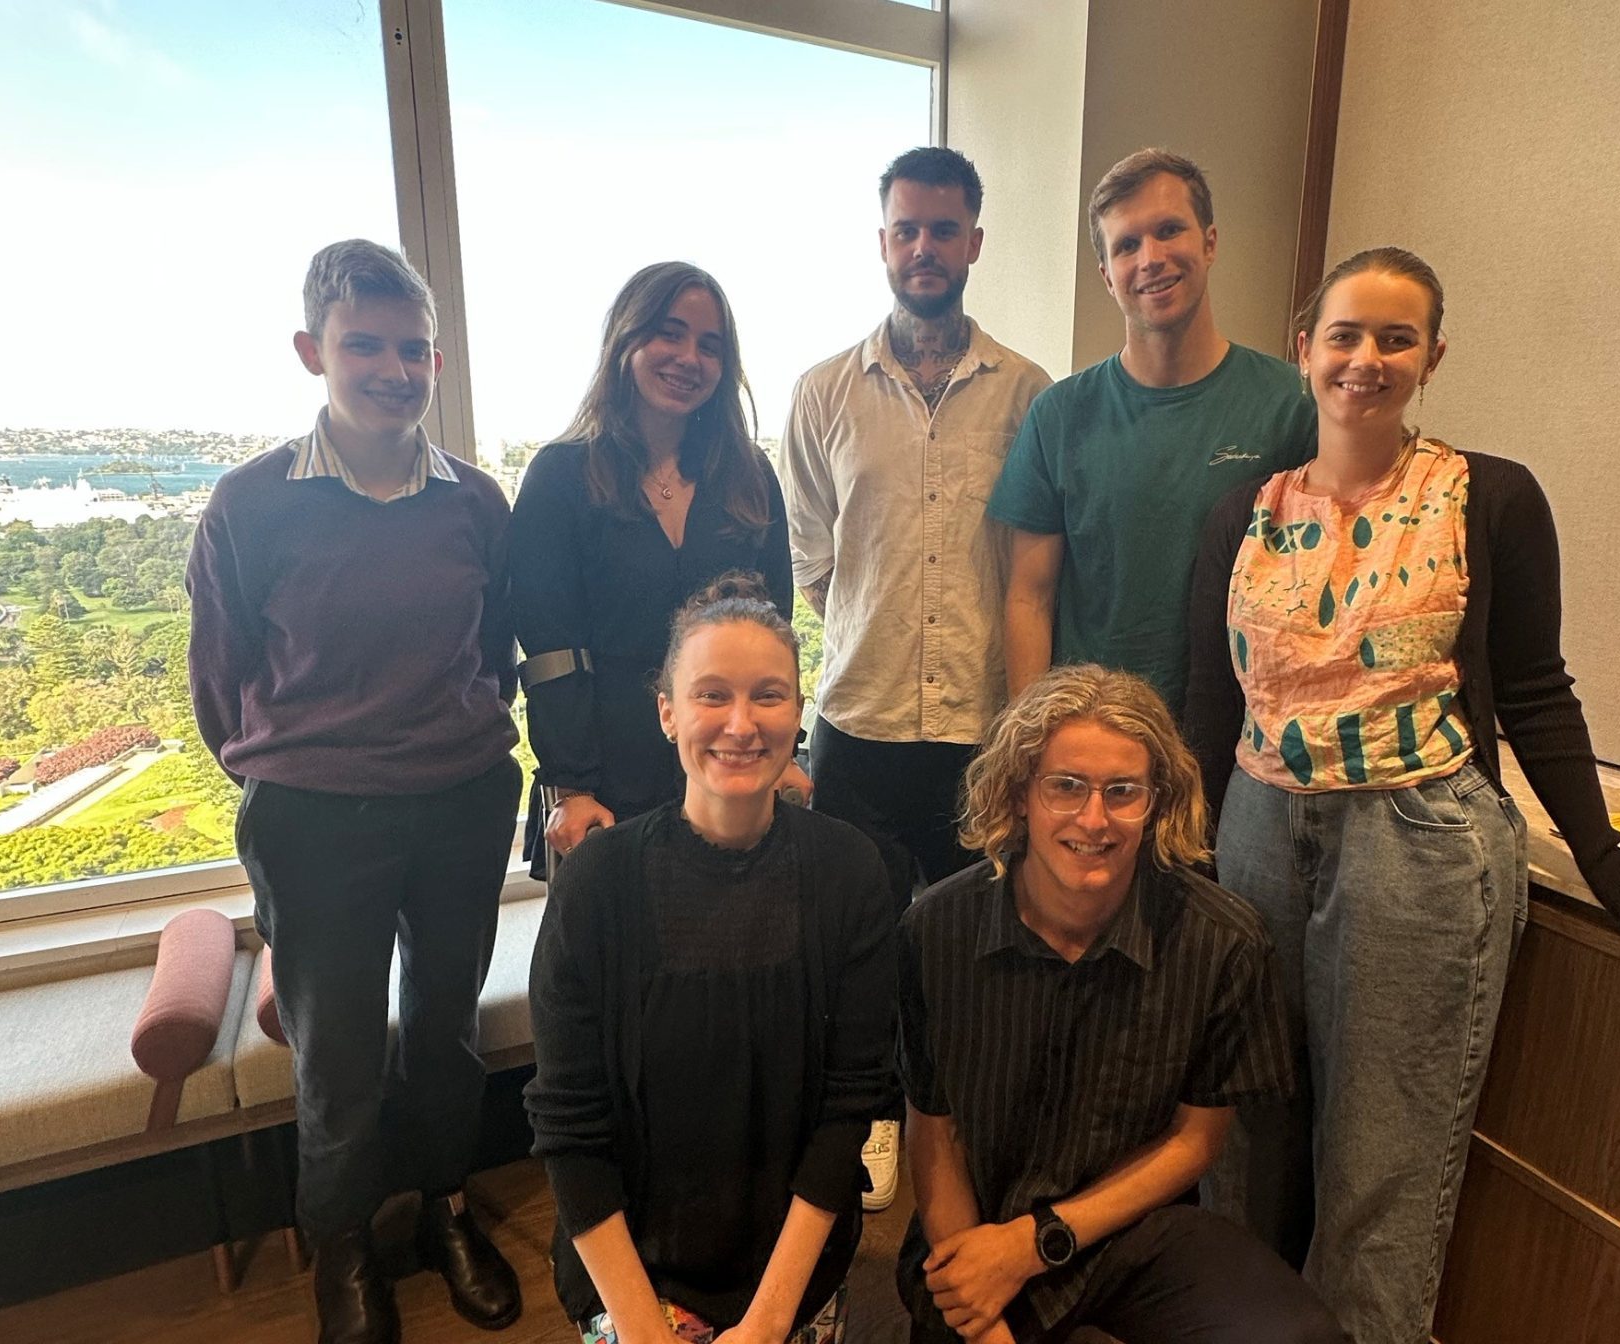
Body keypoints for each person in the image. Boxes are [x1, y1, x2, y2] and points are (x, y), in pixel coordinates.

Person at [1183, 246, 1620, 1342]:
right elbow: (1205, 712)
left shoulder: (1488, 496)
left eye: (1395, 338)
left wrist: (1609, 864)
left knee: (1381, 1168)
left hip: (1415, 846)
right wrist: (1183, 864)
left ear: (1432, 357)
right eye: (1346, 335)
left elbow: (1537, 691)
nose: (1367, 359)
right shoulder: (1242, 516)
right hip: (1257, 833)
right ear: (1302, 347)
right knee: (1247, 1143)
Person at [187, 239, 524, 1344]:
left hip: (459, 801)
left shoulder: (475, 501)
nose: (394, 367)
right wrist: (303, 768)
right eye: (364, 345)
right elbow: (219, 682)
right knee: (334, 1049)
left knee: (444, 1029)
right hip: (313, 820)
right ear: (310, 352)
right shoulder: (249, 505)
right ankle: (343, 1245)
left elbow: (501, 650)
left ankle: (442, 1209)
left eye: (414, 348)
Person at [896, 664, 1345, 1344]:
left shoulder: (1222, 941)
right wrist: (981, 1301)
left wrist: (1037, 1242)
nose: (1094, 819)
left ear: (1157, 801)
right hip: (977, 1225)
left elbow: (1196, 1142)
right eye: (1066, 787)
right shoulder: (936, 929)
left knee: (1299, 1337)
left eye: (1122, 791)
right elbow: (934, 1134)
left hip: (1136, 1232)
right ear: (1020, 794)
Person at [776, 145, 1052, 1210]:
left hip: (982, 728)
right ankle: (881, 1121)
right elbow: (813, 556)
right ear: (883, 241)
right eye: (907, 228)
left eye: (945, 229)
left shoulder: (1029, 394)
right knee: (862, 944)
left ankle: (959, 1125)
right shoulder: (823, 393)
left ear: (974, 242)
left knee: (975, 945)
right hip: (859, 722)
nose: (925, 247)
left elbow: (1037, 559)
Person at [525, 574, 897, 1344]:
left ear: (799, 714)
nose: (741, 723)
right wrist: (643, 1328)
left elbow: (846, 1114)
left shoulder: (850, 872)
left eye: (768, 695)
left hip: (791, 1274)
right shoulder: (597, 884)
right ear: (667, 711)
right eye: (711, 695)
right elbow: (571, 1128)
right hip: (636, 1276)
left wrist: (765, 1324)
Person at [989, 148, 1317, 711]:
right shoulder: (1060, 415)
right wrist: (1033, 738)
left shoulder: (1291, 405)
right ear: (1106, 276)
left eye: (1170, 231)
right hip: (1094, 738)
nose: (1151, 258)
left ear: (1210, 242)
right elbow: (1029, 598)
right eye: (1127, 245)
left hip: (1241, 740)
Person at [510, 261, 803, 873]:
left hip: (731, 767)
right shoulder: (560, 477)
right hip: (605, 782)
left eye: (710, 345)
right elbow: (547, 650)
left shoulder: (748, 474)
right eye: (669, 333)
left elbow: (774, 634)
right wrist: (570, 785)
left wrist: (783, 754)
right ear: (626, 340)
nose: (688, 357)